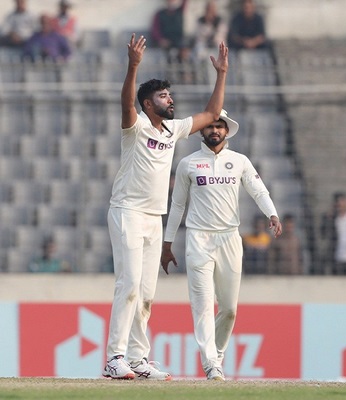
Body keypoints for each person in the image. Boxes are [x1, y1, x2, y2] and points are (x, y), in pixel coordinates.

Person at [103, 34, 229, 380]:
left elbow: (212, 113)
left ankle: (138, 358)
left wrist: (221, 74)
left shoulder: (172, 130)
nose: (170, 99)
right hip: (127, 211)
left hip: (153, 218)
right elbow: (126, 102)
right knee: (128, 285)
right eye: (163, 96)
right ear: (147, 103)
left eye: (169, 95)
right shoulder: (136, 126)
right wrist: (133, 66)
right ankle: (114, 357)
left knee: (146, 293)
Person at [160, 109, 282, 381]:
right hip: (198, 239)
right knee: (202, 306)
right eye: (210, 127)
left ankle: (217, 354)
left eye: (219, 127)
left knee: (229, 308)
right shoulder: (188, 164)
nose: (214, 131)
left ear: (227, 131)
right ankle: (211, 364)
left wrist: (271, 214)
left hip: (229, 238)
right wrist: (167, 243)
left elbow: (258, 189)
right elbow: (177, 205)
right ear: (202, 131)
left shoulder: (239, 161)